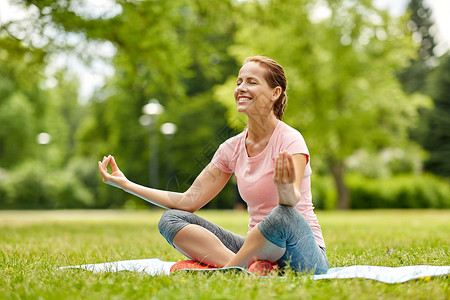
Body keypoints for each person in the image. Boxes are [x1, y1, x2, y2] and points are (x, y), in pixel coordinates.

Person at [98, 56, 330, 274]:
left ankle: (230, 269)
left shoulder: (290, 139)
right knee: (171, 219)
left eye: (252, 82)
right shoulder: (231, 148)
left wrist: (285, 188)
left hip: (302, 253)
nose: (241, 88)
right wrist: (126, 184)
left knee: (282, 215)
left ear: (275, 93)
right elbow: (188, 201)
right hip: (257, 252)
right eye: (239, 82)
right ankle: (245, 269)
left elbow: (291, 204)